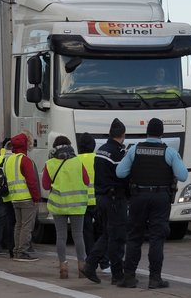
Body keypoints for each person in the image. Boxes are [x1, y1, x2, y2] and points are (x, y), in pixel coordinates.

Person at [116, 118, 187, 289]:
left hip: (138, 197)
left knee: (134, 237)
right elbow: (183, 175)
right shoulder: (169, 152)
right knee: (157, 238)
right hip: (160, 197)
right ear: (161, 133)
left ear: (147, 132)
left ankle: (129, 277)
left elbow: (120, 173)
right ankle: (155, 278)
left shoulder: (134, 150)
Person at [81, 119, 128, 285]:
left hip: (100, 197)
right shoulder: (118, 153)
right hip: (115, 199)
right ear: (122, 135)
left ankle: (91, 264)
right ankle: (116, 274)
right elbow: (123, 176)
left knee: (108, 234)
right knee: (118, 236)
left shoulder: (101, 150)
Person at [42, 135, 90, 279]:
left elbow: (45, 185)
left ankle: (63, 266)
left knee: (61, 236)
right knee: (78, 236)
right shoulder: (78, 161)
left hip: (58, 206)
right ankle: (82, 266)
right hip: (77, 205)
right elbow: (86, 181)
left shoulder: (50, 163)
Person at [5, 131, 40, 262]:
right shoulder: (25, 160)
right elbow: (32, 182)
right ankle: (23, 252)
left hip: (14, 198)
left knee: (18, 225)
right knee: (26, 226)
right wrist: (36, 198)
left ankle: (16, 250)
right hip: (26, 198)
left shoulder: (9, 160)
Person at [77, 133, 99, 266]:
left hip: (82, 202)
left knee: (86, 232)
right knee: (101, 230)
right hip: (98, 200)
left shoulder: (75, 160)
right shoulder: (98, 158)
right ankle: (102, 258)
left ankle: (90, 258)